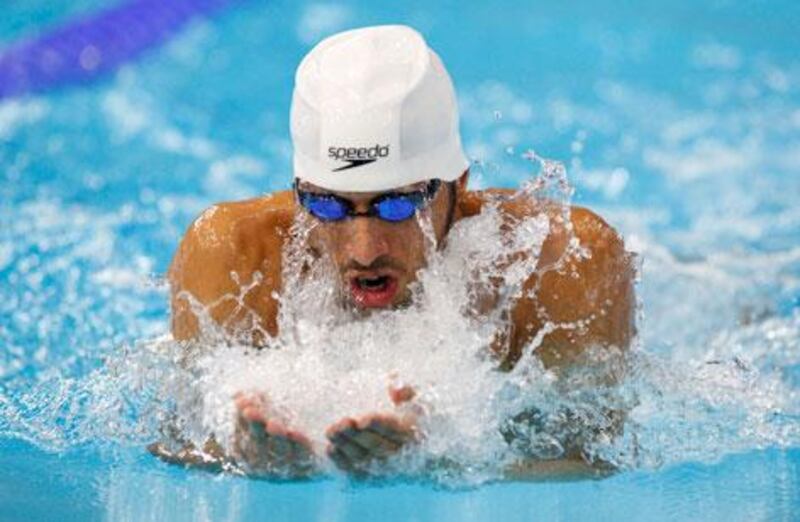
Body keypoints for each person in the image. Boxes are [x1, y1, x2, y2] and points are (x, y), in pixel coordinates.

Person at [152, 25, 636, 479]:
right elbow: (175, 441)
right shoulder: (231, 254)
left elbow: (593, 459)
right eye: (328, 204)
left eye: (399, 204)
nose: (364, 252)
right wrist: (242, 456)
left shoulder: (559, 263)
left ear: (458, 182)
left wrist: (436, 459)